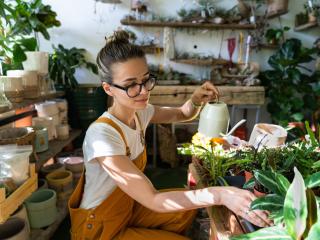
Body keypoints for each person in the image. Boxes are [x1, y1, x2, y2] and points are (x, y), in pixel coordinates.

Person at [68, 30, 271, 240]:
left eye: (146, 80)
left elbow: (182, 113)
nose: (144, 91)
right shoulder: (102, 136)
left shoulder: (140, 113)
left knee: (185, 211)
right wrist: (220, 194)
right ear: (108, 89)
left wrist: (195, 99)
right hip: (100, 227)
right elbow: (153, 199)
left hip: (127, 207)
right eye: (131, 85)